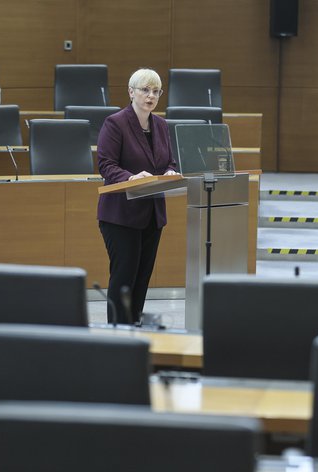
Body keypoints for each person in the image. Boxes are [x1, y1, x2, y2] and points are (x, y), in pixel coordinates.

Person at [97, 68, 179, 325]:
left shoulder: (162, 125)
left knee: (142, 278)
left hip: (152, 215)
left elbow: (170, 162)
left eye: (156, 91)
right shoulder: (116, 123)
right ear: (131, 92)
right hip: (121, 215)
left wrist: (170, 171)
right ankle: (117, 333)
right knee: (124, 278)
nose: (150, 96)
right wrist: (130, 178)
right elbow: (106, 164)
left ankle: (135, 328)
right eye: (145, 90)